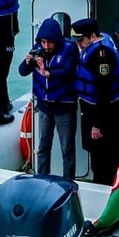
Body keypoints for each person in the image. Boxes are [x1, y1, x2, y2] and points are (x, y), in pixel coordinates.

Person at [17, 18, 78, 178]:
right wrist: (27, 61)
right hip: (44, 106)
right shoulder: (38, 49)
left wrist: (48, 73)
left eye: (49, 42)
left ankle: (68, 181)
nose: (46, 46)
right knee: (43, 146)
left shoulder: (69, 49)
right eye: (43, 42)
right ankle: (41, 178)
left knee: (67, 148)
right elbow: (22, 71)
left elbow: (69, 71)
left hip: (64, 105)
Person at [71, 18, 119, 185]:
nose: (79, 44)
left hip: (102, 113)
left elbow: (104, 91)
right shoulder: (100, 42)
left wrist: (97, 124)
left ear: (93, 36)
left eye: (81, 40)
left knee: (102, 156)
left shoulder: (102, 56)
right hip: (93, 108)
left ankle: (103, 185)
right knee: (98, 153)